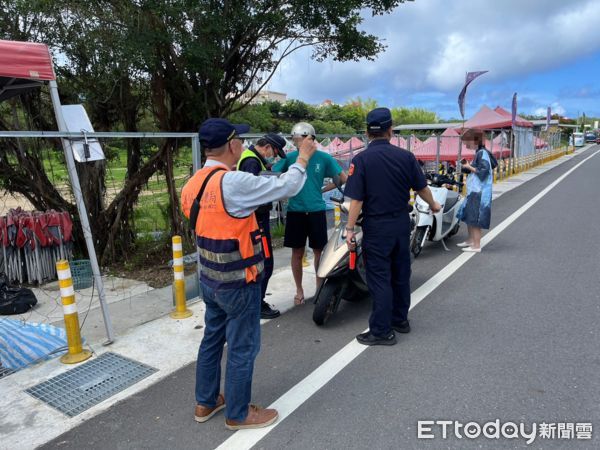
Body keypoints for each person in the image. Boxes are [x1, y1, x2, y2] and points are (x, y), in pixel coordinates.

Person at [181, 118, 317, 429]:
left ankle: (206, 401)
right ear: (231, 145)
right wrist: (304, 156)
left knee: (212, 339)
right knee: (243, 346)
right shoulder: (233, 182)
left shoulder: (193, 184)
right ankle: (239, 413)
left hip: (210, 280)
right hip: (240, 283)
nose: (243, 145)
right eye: (239, 140)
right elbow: (288, 185)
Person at [344, 108, 441, 346]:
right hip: (401, 224)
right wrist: (434, 204)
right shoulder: (406, 157)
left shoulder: (361, 160)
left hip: (377, 226)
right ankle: (400, 320)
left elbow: (356, 201)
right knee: (400, 274)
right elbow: (422, 188)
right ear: (390, 129)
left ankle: (381, 331)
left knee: (379, 278)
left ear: (368, 132)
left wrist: (349, 230)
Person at [272, 122, 347, 305]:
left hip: (316, 210)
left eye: (301, 139)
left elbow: (343, 178)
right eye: (296, 139)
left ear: (311, 139)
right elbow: (272, 175)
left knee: (319, 252)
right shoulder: (290, 158)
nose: (298, 143)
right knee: (297, 253)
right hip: (295, 211)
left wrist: (321, 190)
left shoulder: (324, 158)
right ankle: (299, 290)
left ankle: (319, 288)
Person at [237, 133, 287, 319]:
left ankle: (254, 302)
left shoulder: (253, 158)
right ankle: (257, 305)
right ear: (266, 147)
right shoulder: (252, 162)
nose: (274, 155)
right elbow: (253, 193)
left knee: (259, 261)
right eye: (274, 152)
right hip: (257, 221)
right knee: (266, 261)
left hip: (254, 219)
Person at [456, 129, 494, 253]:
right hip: (474, 190)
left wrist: (468, 167)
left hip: (480, 192)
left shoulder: (482, 153)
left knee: (475, 218)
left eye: (467, 141)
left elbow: (483, 171)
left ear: (475, 140)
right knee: (469, 216)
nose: (466, 144)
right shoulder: (480, 152)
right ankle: (471, 240)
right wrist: (468, 166)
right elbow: (478, 169)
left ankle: (476, 245)